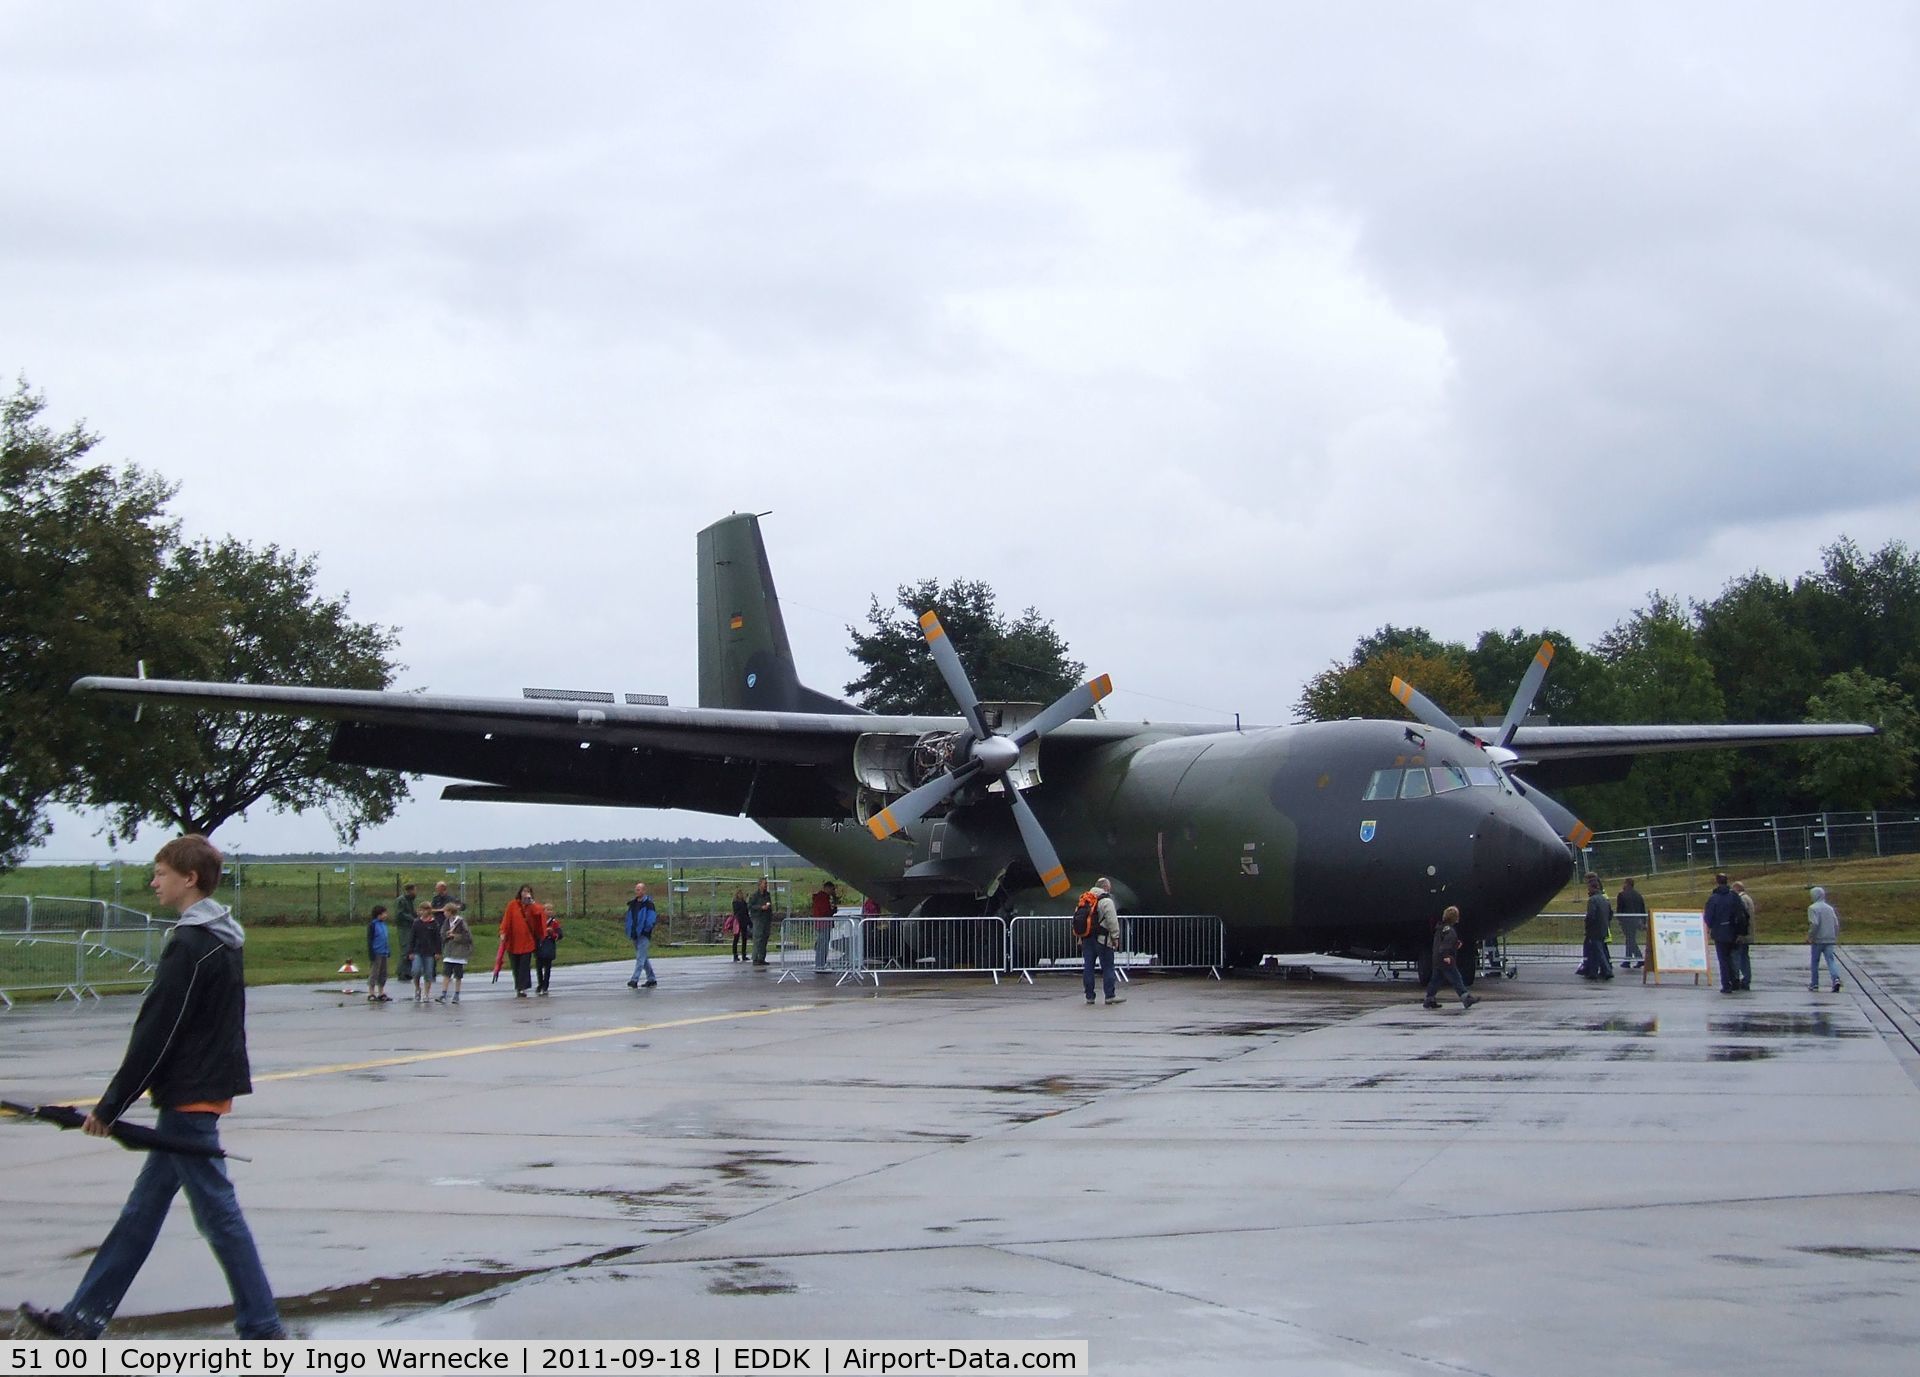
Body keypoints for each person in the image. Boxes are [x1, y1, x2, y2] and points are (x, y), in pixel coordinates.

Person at [16, 835, 285, 1341]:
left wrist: (112, 1105)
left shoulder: (192, 943)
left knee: (219, 1218)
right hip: (197, 1089)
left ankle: (263, 1327)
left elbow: (160, 1029)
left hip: (190, 1094)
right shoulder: (222, 936)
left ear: (190, 879)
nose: (153, 882)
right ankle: (83, 1318)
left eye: (160, 873)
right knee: (143, 1212)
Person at [1423, 905, 1479, 1010]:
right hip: (1445, 960)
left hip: (1437, 959)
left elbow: (1441, 943)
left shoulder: (1440, 928)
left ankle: (1429, 999)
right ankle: (1466, 998)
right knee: (1456, 978)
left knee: (1436, 980)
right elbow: (1445, 945)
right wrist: (1446, 956)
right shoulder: (1450, 931)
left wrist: (1454, 945)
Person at [1081, 877, 1124, 1006]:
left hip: (1087, 939)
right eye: (1109, 887)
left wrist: (1079, 937)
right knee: (1108, 968)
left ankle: (1089, 996)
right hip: (1103, 939)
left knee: (1088, 967)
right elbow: (1112, 921)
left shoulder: (1085, 899)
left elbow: (1081, 920)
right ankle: (1110, 995)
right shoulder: (1106, 901)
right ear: (1105, 887)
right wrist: (1115, 937)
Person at [1703, 873, 1747, 995]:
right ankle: (1735, 981)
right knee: (1733, 957)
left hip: (1719, 932)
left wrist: (1712, 926)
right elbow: (1742, 914)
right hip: (1733, 931)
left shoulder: (1713, 898)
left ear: (1717, 882)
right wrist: (1741, 931)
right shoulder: (1734, 896)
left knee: (1723, 959)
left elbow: (1708, 917)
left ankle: (1726, 984)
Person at [500, 885, 544, 997]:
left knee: (524, 965)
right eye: (524, 891)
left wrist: (532, 903)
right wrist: (503, 932)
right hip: (513, 941)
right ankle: (518, 987)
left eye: (528, 891)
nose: (526, 893)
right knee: (516, 966)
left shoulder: (532, 906)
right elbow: (507, 919)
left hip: (527, 941)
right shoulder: (512, 905)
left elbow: (539, 913)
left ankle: (523, 987)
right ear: (520, 892)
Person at [1578, 874, 1614, 980]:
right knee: (1596, 950)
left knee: (1598, 950)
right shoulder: (1605, 899)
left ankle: (1607, 970)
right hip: (1603, 928)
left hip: (1594, 930)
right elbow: (1610, 913)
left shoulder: (1593, 900)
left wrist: (1588, 925)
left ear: (1592, 888)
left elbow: (1591, 915)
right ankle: (1593, 971)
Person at [1807, 886, 1843, 992]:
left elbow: (1814, 923)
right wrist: (1835, 936)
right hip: (1829, 938)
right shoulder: (1829, 908)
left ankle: (1814, 983)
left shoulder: (1812, 908)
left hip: (1818, 939)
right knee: (1830, 960)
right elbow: (1836, 923)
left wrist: (1810, 936)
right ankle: (1835, 978)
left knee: (1815, 961)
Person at [408, 899, 442, 1004]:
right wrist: (410, 951)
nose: (422, 912)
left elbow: (437, 939)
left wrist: (438, 952)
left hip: (430, 952)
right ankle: (417, 987)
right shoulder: (416, 923)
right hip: (418, 951)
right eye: (421, 910)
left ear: (429, 911)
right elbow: (412, 938)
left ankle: (426, 994)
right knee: (416, 971)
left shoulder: (434, 923)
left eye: (425, 910)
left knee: (428, 973)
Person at [625, 883, 659, 988]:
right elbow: (629, 918)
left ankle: (634, 979)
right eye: (636, 889)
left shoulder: (649, 904)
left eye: (639, 889)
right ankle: (651, 978)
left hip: (644, 934)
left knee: (640, 958)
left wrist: (646, 929)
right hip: (635, 933)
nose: (637, 891)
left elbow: (651, 918)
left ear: (644, 891)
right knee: (643, 958)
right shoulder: (633, 904)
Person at [438, 904, 472, 1004]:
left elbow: (467, 937)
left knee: (458, 975)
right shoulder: (446, 922)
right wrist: (446, 935)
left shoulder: (460, 922)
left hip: (459, 953)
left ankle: (457, 994)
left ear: (450, 912)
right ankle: (443, 994)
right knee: (446, 974)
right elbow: (442, 934)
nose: (444, 913)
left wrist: (455, 936)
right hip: (449, 951)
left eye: (445, 911)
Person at [1614, 877, 1648, 970]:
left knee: (1630, 940)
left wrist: (1619, 919)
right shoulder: (1638, 895)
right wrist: (1643, 921)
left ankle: (1639, 958)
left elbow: (1620, 909)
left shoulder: (1622, 895)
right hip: (1637, 921)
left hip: (1627, 921)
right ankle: (1627, 960)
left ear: (1627, 884)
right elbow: (1642, 909)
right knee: (1630, 939)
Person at [1730, 880, 1756, 991]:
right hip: (1748, 933)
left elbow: (1741, 917)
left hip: (1743, 934)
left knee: (1738, 957)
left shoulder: (1741, 899)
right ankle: (1746, 979)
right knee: (1744, 957)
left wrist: (1738, 932)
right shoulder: (1748, 898)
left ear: (1736, 889)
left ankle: (1742, 979)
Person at [534, 908, 564, 996]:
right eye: (547, 910)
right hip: (539, 946)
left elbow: (560, 935)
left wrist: (553, 934)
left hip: (549, 947)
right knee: (539, 967)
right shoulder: (539, 922)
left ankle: (545, 986)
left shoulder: (554, 923)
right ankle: (540, 984)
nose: (549, 911)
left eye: (551, 910)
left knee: (547, 968)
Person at [365, 904, 391, 1003]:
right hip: (376, 952)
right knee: (374, 973)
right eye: (384, 913)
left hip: (384, 952)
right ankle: (371, 992)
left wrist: (388, 950)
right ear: (378, 914)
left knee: (383, 973)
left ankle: (381, 992)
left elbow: (385, 938)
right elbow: (370, 940)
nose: (386, 915)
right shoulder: (373, 925)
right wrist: (371, 952)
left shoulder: (384, 925)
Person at [810, 880, 838, 971]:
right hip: (823, 924)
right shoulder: (823, 898)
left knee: (823, 944)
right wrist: (832, 910)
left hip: (822, 923)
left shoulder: (823, 898)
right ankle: (820, 964)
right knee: (822, 945)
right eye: (832, 889)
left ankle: (821, 963)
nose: (833, 891)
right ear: (828, 888)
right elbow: (824, 911)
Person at [748, 877, 775, 966]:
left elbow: (770, 905)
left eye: (766, 884)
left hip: (766, 919)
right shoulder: (754, 895)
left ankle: (762, 958)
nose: (766, 885)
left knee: (765, 938)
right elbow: (750, 906)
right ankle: (755, 958)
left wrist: (769, 911)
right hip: (758, 918)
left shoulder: (767, 895)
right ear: (760, 885)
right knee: (758, 938)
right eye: (765, 883)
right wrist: (760, 907)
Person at [393, 882, 418, 968]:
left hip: (410, 926)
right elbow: (400, 913)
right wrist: (412, 919)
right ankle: (402, 972)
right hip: (404, 927)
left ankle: (408, 971)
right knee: (406, 948)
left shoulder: (410, 900)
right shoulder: (402, 900)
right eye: (415, 890)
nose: (416, 892)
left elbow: (412, 912)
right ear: (410, 890)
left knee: (410, 949)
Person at [728, 888, 751, 962]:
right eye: (739, 894)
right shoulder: (735, 902)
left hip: (744, 921)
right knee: (736, 938)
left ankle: (744, 954)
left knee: (744, 938)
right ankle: (735, 955)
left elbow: (746, 912)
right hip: (738, 921)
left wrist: (749, 922)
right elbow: (737, 911)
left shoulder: (744, 902)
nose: (741, 895)